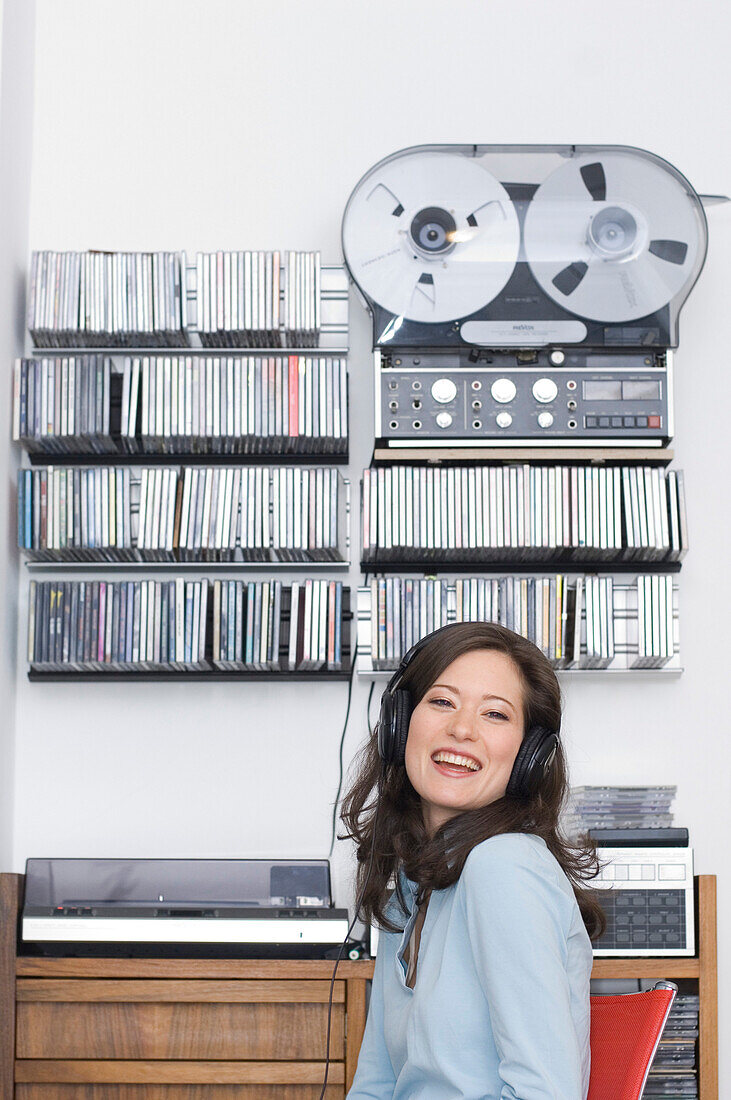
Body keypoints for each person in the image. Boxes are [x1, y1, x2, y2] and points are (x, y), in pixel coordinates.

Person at [340, 621, 605, 1100]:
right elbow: (376, 1084)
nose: (462, 729)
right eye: (442, 702)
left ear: (529, 754)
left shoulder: (504, 867)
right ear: (401, 724)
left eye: (495, 715)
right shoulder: (409, 881)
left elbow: (546, 1093)